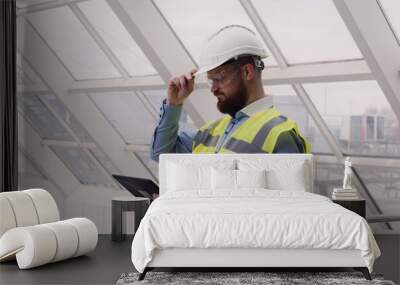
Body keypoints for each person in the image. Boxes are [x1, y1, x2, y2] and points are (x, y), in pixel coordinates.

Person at [150, 25, 309, 162]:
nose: (213, 89)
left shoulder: (280, 134)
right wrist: (173, 104)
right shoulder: (210, 132)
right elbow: (161, 155)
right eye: (211, 81)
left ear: (247, 72)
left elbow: (289, 197)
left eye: (218, 78)